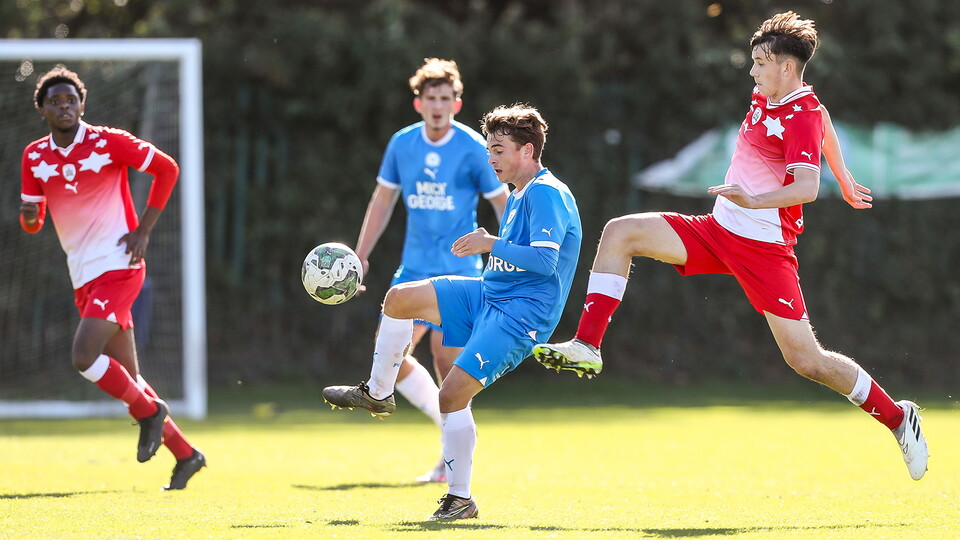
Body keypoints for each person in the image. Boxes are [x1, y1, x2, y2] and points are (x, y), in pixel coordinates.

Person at [532, 11, 928, 481]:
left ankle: (900, 418)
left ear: (786, 66)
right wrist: (845, 176)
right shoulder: (774, 96)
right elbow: (824, 118)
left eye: (760, 62)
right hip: (717, 232)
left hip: (764, 251)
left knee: (807, 361)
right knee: (621, 231)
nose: (752, 71)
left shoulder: (797, 115)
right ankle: (588, 344)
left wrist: (762, 197)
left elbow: (804, 185)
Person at [323, 104, 582, 519]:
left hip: (521, 315)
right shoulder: (520, 193)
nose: (490, 158)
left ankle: (460, 499)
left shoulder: (547, 193)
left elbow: (546, 262)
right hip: (488, 292)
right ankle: (378, 391)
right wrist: (490, 245)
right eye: (489, 150)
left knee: (452, 394)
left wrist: (489, 243)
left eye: (498, 150)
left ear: (527, 150)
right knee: (398, 298)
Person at [19, 67, 206, 490]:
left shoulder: (108, 141)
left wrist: (144, 230)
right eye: (55, 101)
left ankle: (151, 414)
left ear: (82, 104)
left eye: (71, 100)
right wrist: (30, 218)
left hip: (120, 265)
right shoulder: (34, 156)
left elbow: (167, 169)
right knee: (129, 382)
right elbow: (33, 219)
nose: (64, 106)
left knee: (84, 357)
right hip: (82, 274)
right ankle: (187, 454)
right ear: (43, 109)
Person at [351, 58, 509, 483]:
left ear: (457, 104)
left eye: (445, 98)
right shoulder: (402, 144)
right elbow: (382, 200)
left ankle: (449, 461)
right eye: (430, 98)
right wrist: (360, 254)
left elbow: (501, 203)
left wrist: (511, 252)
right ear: (417, 103)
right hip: (413, 269)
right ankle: (446, 436)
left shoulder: (475, 147)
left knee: (446, 362)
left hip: (461, 271)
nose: (437, 106)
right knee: (391, 357)